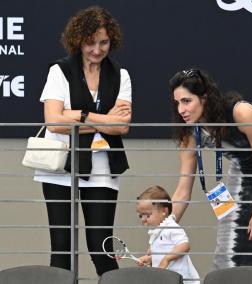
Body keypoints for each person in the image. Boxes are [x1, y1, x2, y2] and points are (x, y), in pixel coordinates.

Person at [169, 69, 252, 282]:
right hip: (242, 166)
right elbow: (183, 189)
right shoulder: (189, 132)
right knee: (231, 237)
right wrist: (163, 230)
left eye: (186, 101)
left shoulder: (241, 113)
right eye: (177, 103)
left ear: (204, 98)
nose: (181, 109)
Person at [34, 6, 132, 275]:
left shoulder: (120, 75)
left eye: (104, 42)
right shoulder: (59, 71)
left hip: (103, 166)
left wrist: (78, 117)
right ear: (78, 40)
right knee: (62, 249)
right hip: (59, 167)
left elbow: (121, 126)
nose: (97, 50)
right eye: (91, 42)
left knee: (101, 247)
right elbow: (54, 122)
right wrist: (102, 120)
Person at [136, 185, 200, 284]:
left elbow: (184, 246)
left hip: (180, 279)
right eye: (141, 215)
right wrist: (149, 259)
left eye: (147, 215)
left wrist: (167, 259)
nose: (143, 219)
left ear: (164, 211)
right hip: (166, 278)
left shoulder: (171, 227)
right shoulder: (156, 233)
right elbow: (162, 253)